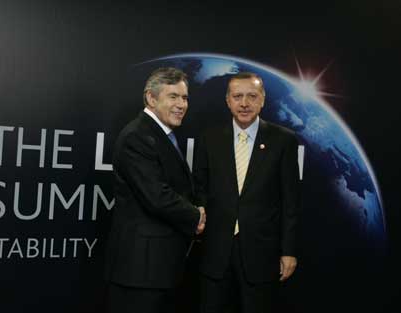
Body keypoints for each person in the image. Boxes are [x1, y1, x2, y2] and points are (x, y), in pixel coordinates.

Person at [193, 72, 300, 313]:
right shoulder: (208, 138)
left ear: (262, 100)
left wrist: (289, 251)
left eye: (252, 96)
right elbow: (199, 188)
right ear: (227, 100)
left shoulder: (284, 140)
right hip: (215, 252)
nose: (244, 103)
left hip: (262, 254)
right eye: (237, 96)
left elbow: (290, 201)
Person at [104, 67, 206, 313]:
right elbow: (156, 196)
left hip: (158, 268)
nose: (182, 104)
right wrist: (196, 216)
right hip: (140, 270)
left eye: (185, 98)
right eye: (173, 96)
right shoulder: (137, 136)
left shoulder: (161, 135)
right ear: (151, 98)